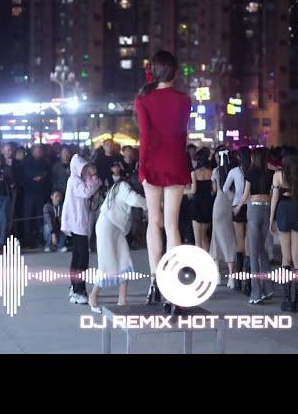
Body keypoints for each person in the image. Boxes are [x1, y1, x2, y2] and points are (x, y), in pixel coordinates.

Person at [134, 50, 191, 315]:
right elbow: (181, 135)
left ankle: (155, 281)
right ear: (175, 72)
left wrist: (142, 166)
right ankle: (172, 287)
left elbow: (145, 137)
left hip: (152, 162)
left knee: (153, 222)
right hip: (176, 162)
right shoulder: (184, 100)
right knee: (171, 225)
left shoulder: (143, 100)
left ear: (153, 72)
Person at [88, 175, 148, 312]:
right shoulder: (123, 186)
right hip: (106, 227)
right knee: (106, 265)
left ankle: (122, 300)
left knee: (124, 262)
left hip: (116, 229)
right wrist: (150, 204)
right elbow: (135, 199)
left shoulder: (121, 186)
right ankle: (93, 296)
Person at [235, 147, 274, 305]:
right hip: (267, 208)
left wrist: (238, 207)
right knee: (262, 249)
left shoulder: (250, 172)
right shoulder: (271, 172)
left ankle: (256, 292)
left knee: (253, 251)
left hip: (254, 209)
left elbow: (245, 195)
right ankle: (268, 287)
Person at [61, 154, 101, 304]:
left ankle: (75, 287)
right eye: (83, 168)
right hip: (77, 223)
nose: (85, 171)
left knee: (78, 256)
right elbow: (86, 192)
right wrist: (95, 179)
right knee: (82, 257)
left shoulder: (78, 180)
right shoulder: (74, 180)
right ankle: (78, 290)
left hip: (78, 223)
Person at [270, 152, 298, 312]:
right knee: (297, 257)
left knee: (286, 257)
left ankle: (287, 299)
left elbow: (274, 198)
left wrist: (271, 219)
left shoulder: (278, 175)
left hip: (284, 210)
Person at [210, 148, 238, 289]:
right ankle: (232, 275)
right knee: (230, 238)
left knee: (216, 238)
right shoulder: (237, 171)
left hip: (219, 204)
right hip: (233, 203)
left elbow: (214, 190)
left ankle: (217, 275)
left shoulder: (216, 172)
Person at [225, 146, 251, 295]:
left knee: (239, 244)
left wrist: (234, 198)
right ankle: (248, 283)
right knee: (249, 244)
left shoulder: (234, 171)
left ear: (239, 157)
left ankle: (239, 281)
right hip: (251, 206)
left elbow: (225, 188)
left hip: (237, 207)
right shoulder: (253, 170)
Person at [184, 148, 214, 252]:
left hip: (197, 204)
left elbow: (193, 190)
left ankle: (199, 260)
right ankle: (208, 258)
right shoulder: (211, 172)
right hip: (208, 204)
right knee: (204, 236)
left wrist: (182, 192)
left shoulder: (194, 172)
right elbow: (214, 190)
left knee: (197, 240)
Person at [21, 144, 48, 248]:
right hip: (29, 192)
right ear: (33, 151)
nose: (40, 152)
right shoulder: (27, 161)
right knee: (28, 217)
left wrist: (41, 175)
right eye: (38, 150)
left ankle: (40, 238)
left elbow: (45, 173)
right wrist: (37, 175)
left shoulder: (44, 161)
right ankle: (28, 240)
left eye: (41, 150)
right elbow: (28, 173)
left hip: (40, 192)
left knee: (40, 217)